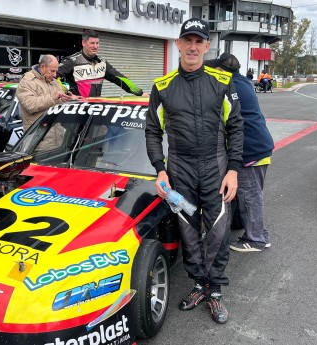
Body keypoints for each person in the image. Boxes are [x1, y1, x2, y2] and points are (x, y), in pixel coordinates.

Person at [145, 18, 243, 324]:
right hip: (179, 170)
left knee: (217, 229)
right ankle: (199, 285)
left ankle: (215, 291)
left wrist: (234, 170)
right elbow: (151, 131)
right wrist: (160, 170)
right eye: (187, 40)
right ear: (177, 44)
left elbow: (237, 128)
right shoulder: (162, 87)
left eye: (198, 41)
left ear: (206, 46)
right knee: (187, 227)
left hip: (216, 167)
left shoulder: (222, 81)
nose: (192, 46)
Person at [204, 53, 274, 253]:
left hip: (250, 150)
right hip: (259, 145)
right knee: (245, 194)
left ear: (220, 70)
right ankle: (245, 227)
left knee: (250, 195)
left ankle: (257, 239)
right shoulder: (242, 81)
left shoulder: (228, 86)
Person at [57, 29, 147, 98]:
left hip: (95, 108)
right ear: (83, 43)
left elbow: (120, 79)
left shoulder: (102, 63)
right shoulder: (72, 61)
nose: (95, 46)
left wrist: (140, 93)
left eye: (97, 43)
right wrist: (67, 94)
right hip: (77, 109)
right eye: (92, 43)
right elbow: (54, 78)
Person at [16, 54, 79, 151]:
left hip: (59, 141)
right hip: (38, 143)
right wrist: (53, 97)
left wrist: (70, 99)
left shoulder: (53, 81)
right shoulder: (27, 81)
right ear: (42, 67)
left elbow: (60, 101)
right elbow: (30, 105)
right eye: (52, 71)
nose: (55, 74)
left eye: (56, 71)